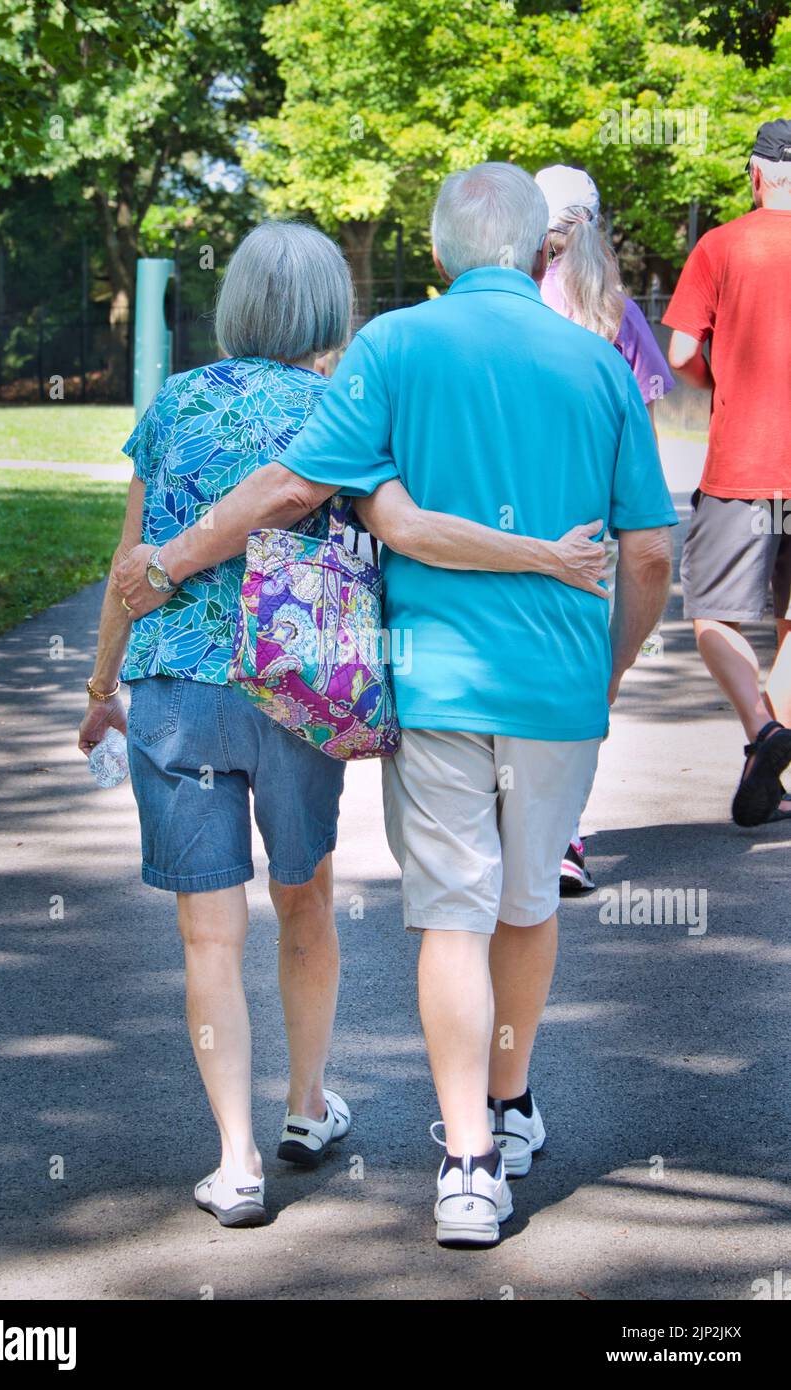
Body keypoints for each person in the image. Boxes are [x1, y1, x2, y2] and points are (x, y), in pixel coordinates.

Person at [115, 166, 676, 1249]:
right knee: (526, 905)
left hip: (433, 678)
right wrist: (604, 673)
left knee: (451, 918)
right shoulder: (597, 365)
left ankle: (464, 1166)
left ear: (434, 251)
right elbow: (648, 551)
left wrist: (168, 563)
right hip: (556, 684)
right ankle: (511, 1110)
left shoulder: (392, 348)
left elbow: (299, 489)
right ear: (539, 251)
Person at [535, 164, 677, 893]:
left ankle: (506, 829)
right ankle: (562, 835)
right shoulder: (619, 310)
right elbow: (643, 453)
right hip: (591, 530)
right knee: (585, 681)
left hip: (508, 520)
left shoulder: (511, 300)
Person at [663, 118, 791, 826]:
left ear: (755, 175)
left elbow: (682, 350)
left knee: (712, 610)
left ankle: (764, 733)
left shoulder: (720, 245)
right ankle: (771, 761)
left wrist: (726, 377)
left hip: (744, 462)